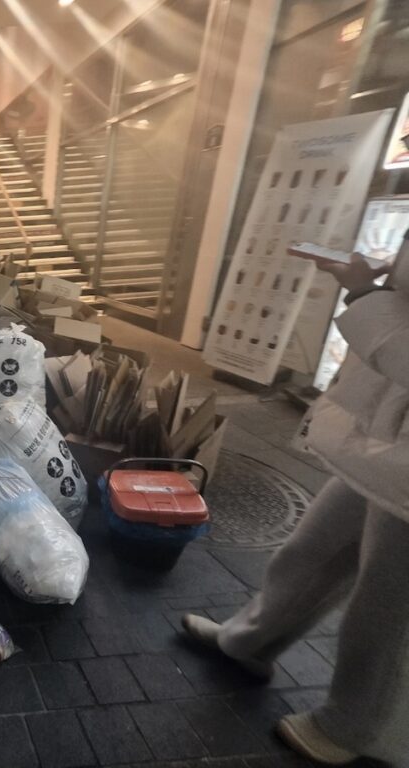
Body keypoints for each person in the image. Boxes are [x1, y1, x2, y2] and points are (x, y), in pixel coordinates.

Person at [182, 241, 409, 766]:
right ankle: (250, 643)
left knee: (388, 607)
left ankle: (361, 730)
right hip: (385, 442)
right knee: (311, 551)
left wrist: (360, 291)